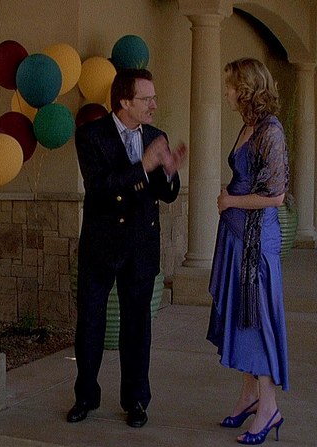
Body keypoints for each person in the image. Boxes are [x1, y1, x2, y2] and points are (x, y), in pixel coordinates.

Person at [67, 68, 187, 428]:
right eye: (146, 99)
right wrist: (144, 167)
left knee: (137, 328)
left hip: (140, 247)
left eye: (153, 98)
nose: (154, 105)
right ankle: (85, 396)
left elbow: (166, 194)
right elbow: (101, 189)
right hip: (101, 247)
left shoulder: (156, 136)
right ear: (124, 101)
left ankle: (136, 400)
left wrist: (169, 172)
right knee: (91, 324)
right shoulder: (90, 135)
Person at [207, 58, 289, 445]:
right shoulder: (247, 126)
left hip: (257, 242)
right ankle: (249, 397)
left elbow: (276, 196)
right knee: (243, 317)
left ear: (246, 89)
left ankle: (269, 407)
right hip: (236, 236)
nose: (225, 92)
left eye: (230, 85)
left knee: (258, 320)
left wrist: (231, 202)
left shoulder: (271, 131)